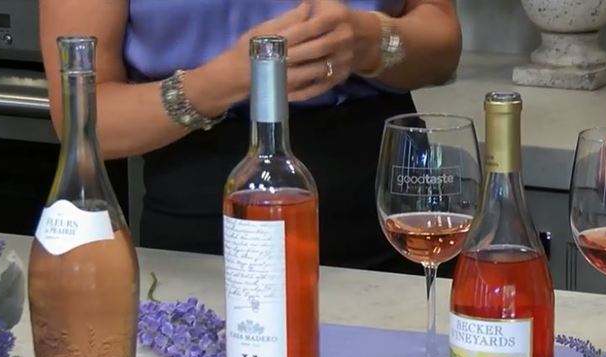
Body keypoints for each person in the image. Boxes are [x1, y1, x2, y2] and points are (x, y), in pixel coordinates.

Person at [40, 0, 461, 273]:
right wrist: (225, 81)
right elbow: (84, 119)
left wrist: (371, 40)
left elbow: (443, 46)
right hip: (203, 227)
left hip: (386, 209)